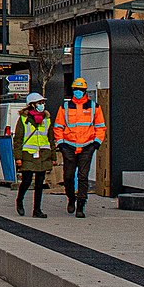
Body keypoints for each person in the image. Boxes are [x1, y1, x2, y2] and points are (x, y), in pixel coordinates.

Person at [51, 77, 106, 217]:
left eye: (80, 90)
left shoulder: (94, 107)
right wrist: (61, 143)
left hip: (87, 146)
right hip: (68, 146)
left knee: (83, 176)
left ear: (85, 91)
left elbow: (100, 127)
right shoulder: (65, 107)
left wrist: (96, 143)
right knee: (68, 176)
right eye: (76, 89)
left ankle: (81, 205)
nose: (78, 92)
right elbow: (57, 127)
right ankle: (71, 198)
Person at [13, 94, 53, 216]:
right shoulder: (24, 119)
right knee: (27, 180)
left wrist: (53, 157)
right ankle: (19, 201)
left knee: (40, 183)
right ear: (32, 104)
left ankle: (37, 210)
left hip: (43, 154)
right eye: (39, 103)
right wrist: (18, 157)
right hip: (28, 154)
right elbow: (18, 139)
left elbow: (50, 139)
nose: (42, 105)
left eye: (42, 103)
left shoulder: (47, 119)